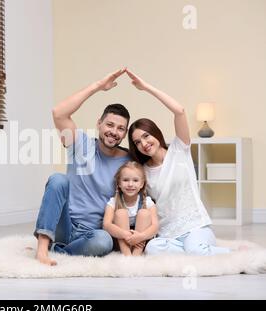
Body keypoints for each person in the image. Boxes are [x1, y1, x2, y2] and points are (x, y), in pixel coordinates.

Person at [125, 68, 231, 256]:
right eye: (137, 142)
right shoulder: (143, 171)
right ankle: (196, 251)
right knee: (152, 249)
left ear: (155, 132)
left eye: (146, 136)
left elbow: (179, 111)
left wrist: (146, 87)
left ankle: (232, 254)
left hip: (195, 227)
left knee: (196, 250)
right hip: (168, 234)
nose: (144, 143)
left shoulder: (179, 150)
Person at [34, 68, 131, 265]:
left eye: (120, 128)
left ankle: (60, 251)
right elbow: (59, 113)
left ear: (125, 133)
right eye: (110, 125)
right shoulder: (82, 144)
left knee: (104, 242)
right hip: (65, 225)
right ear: (99, 124)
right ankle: (43, 250)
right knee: (58, 179)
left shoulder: (129, 161)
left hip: (94, 233)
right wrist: (97, 86)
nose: (114, 132)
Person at [103, 161, 158, 256]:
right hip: (121, 240)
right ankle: (127, 255)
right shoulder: (113, 202)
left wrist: (140, 236)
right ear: (119, 183)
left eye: (135, 180)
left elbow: (155, 227)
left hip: (142, 239)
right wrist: (125, 234)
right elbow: (106, 225)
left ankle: (136, 255)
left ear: (142, 184)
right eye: (125, 180)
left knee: (144, 213)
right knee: (120, 213)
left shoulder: (147, 202)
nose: (130, 184)